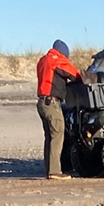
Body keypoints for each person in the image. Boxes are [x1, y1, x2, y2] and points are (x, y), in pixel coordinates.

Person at [36, 39, 82, 181]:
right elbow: (74, 74)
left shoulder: (43, 60)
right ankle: (55, 171)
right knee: (57, 134)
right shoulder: (56, 60)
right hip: (52, 103)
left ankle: (49, 169)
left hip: (42, 102)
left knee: (49, 137)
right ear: (63, 53)